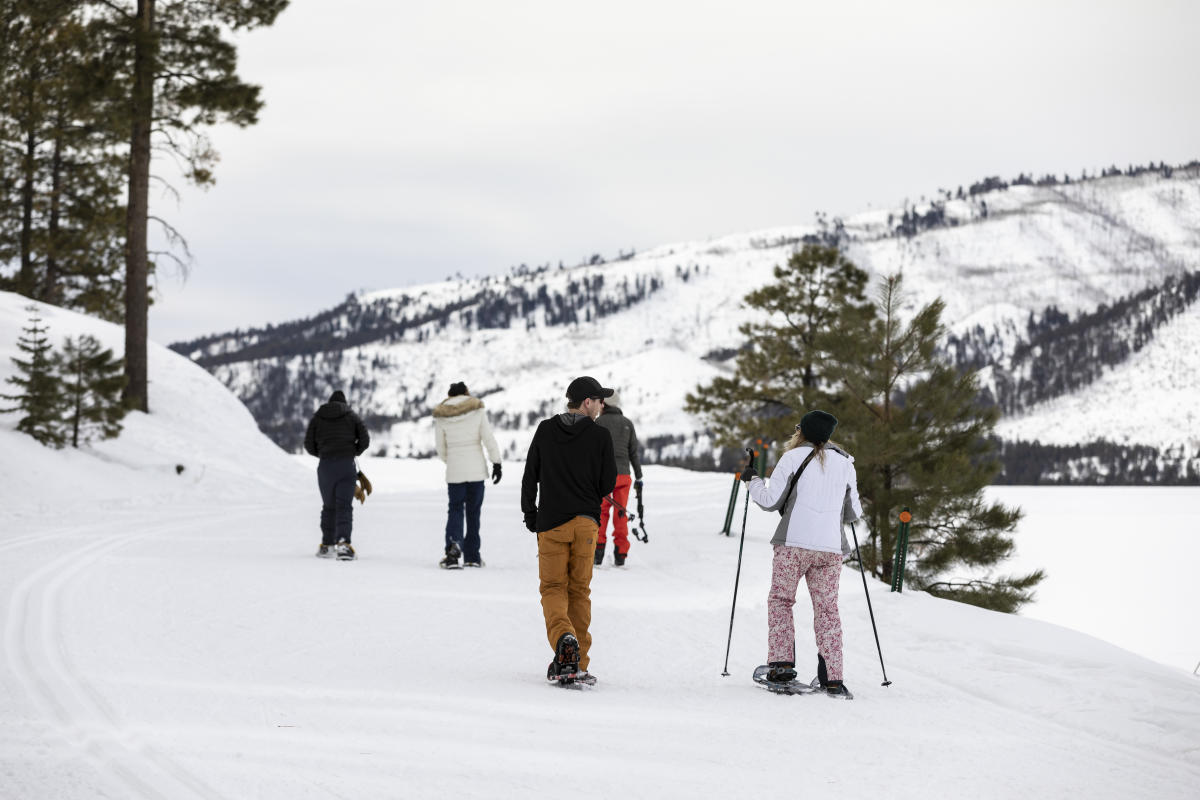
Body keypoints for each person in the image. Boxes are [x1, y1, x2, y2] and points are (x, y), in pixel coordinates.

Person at [742, 409, 862, 697]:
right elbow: (853, 512)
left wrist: (752, 480)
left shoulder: (792, 458)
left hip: (793, 543)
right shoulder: (846, 463)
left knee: (781, 601)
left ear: (802, 432)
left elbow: (771, 501)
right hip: (830, 549)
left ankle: (781, 668)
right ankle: (832, 679)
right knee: (827, 610)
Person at [521, 375, 617, 683]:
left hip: (551, 523)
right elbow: (607, 484)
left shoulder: (546, 430)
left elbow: (529, 475)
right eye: (600, 400)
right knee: (579, 591)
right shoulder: (600, 437)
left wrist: (530, 513)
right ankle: (580, 663)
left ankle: (564, 639)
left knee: (552, 589)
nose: (603, 406)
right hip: (586, 525)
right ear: (587, 402)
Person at [432, 381, 502, 569]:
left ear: (450, 395)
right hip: (476, 470)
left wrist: (452, 461)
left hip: (455, 471)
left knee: (455, 509)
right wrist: (496, 463)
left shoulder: (441, 415)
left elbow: (440, 448)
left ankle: (454, 549)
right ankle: (472, 556)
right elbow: (488, 438)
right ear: (465, 392)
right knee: (473, 512)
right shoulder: (477, 410)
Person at [304, 390, 370, 560]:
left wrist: (323, 454)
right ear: (344, 403)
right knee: (344, 506)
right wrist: (352, 451)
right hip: (346, 466)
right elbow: (365, 439)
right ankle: (344, 545)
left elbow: (308, 445)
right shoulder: (351, 415)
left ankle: (327, 546)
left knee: (329, 506)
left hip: (326, 467)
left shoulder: (318, 417)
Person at [593, 392, 643, 566]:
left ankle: (598, 551)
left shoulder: (598, 423)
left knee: (602, 512)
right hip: (623, 476)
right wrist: (639, 476)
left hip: (604, 476)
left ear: (604, 405)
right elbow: (633, 453)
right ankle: (621, 553)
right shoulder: (627, 424)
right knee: (621, 512)